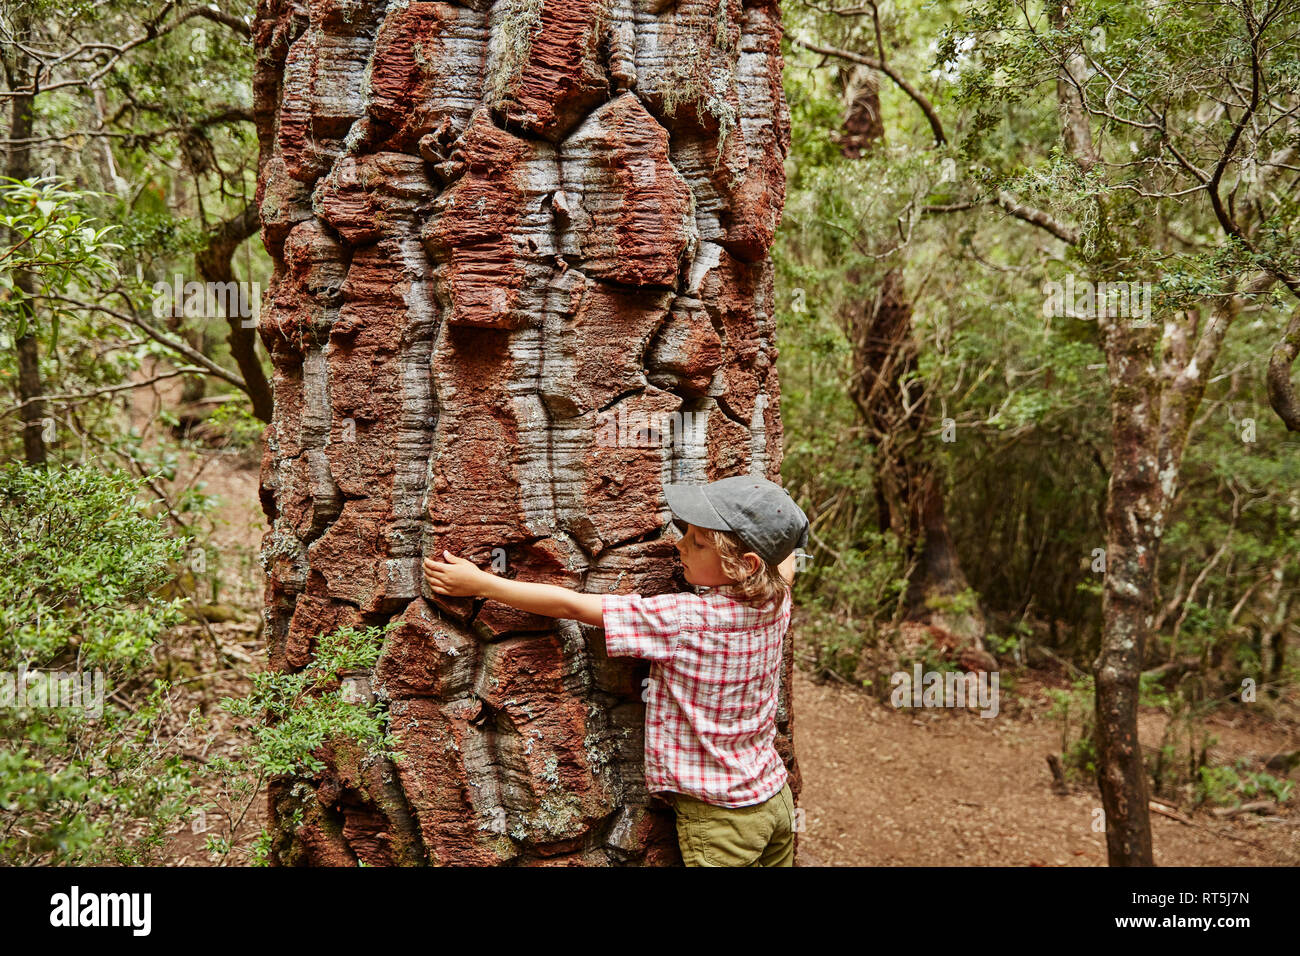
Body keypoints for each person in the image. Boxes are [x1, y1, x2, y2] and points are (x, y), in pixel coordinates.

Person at [423, 474, 810, 866]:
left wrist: (482, 584)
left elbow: (573, 607)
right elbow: (785, 563)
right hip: (773, 797)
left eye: (697, 542)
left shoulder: (684, 619)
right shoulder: (776, 602)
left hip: (721, 817)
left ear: (745, 565)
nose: (680, 544)